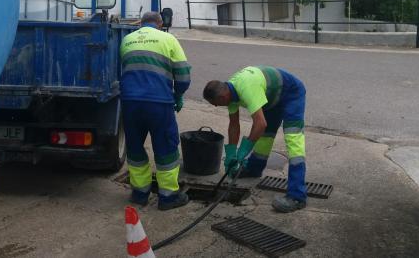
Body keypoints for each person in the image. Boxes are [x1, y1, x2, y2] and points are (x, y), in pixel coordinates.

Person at [203, 66, 307, 213]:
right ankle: (254, 169)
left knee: (293, 139)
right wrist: (231, 153)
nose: (215, 106)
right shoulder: (230, 91)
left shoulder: (246, 89)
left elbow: (260, 124)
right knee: (265, 136)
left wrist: (244, 149)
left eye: (215, 103)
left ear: (222, 98)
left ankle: (297, 196)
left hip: (291, 92)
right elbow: (234, 124)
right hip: (272, 99)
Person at [120, 11, 191, 210]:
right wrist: (178, 95)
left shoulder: (127, 40)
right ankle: (168, 197)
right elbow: (183, 75)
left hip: (130, 102)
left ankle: (139, 193)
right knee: (166, 146)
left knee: (134, 146)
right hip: (158, 103)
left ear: (141, 24)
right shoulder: (168, 39)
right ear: (160, 24)